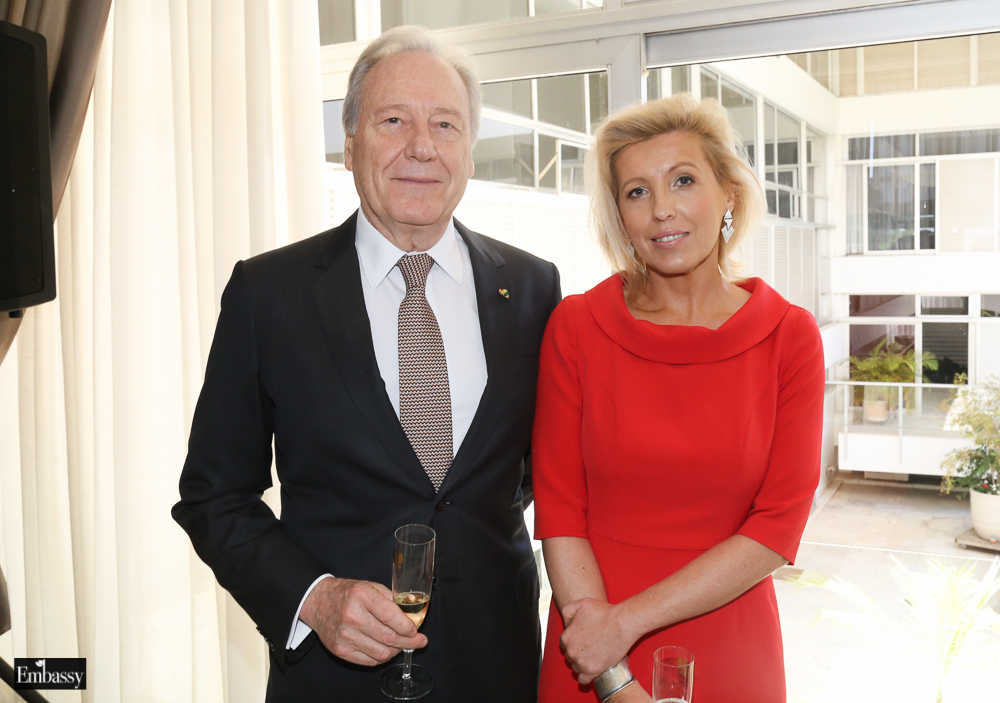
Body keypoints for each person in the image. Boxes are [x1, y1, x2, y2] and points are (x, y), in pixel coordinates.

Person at [173, 26, 561, 702]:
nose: (422, 146)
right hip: (334, 680)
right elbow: (215, 496)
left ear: (469, 152)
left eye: (445, 124)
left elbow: (533, 473)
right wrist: (315, 598)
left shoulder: (533, 288)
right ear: (350, 145)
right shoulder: (269, 293)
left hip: (496, 666)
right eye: (394, 121)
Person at [531, 93, 824, 703]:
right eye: (637, 191)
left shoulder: (789, 335)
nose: (662, 209)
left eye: (683, 180)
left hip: (729, 647)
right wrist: (612, 674)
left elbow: (778, 525)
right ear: (621, 217)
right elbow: (560, 510)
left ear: (729, 195)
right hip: (590, 649)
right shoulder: (577, 326)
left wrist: (625, 624)